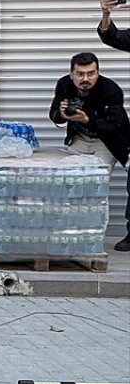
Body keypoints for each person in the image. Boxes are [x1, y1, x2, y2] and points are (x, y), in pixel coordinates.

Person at [49, 52, 129, 252]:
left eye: (91, 74)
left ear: (98, 73)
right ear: (71, 74)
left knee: (95, 187)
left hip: (106, 141)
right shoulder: (64, 85)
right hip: (79, 138)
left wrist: (86, 119)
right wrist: (61, 113)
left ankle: (93, 237)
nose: (85, 79)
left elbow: (114, 126)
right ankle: (71, 233)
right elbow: (54, 116)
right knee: (69, 183)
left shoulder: (111, 90)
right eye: (80, 74)